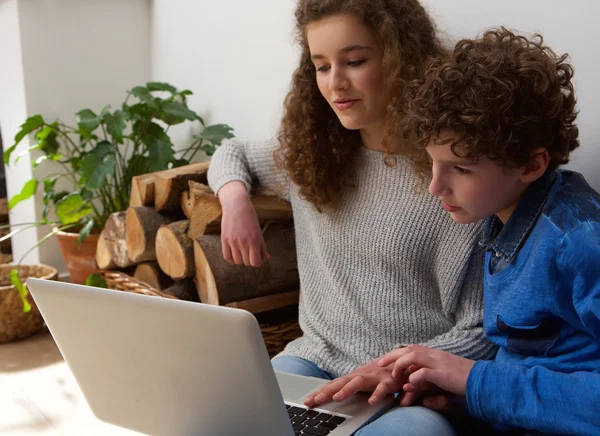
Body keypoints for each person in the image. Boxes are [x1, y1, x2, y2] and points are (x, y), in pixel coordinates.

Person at [207, 1, 496, 434]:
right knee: (222, 413)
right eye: (321, 67)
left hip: (406, 387)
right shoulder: (314, 154)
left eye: (355, 61)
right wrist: (234, 200)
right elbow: (233, 153)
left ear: (403, 60)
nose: (335, 83)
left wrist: (394, 367)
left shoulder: (456, 176)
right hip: (316, 360)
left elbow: (480, 329)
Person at [315, 28, 600, 435]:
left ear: (531, 165)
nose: (436, 187)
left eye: (461, 169)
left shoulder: (580, 242)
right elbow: (529, 362)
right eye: (433, 163)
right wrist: (466, 400)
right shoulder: (499, 213)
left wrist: (474, 380)